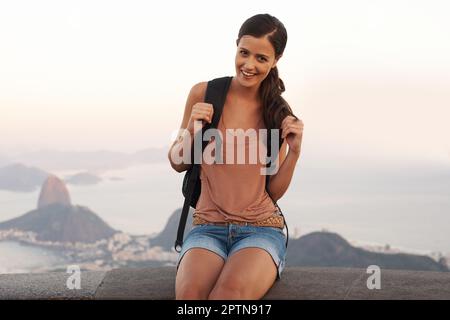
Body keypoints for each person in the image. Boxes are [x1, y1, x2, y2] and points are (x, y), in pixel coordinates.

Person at [168, 13, 304, 300]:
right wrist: (193, 129)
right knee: (189, 298)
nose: (249, 65)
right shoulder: (205, 93)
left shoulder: (277, 111)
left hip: (260, 230)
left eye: (261, 58)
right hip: (207, 227)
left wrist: (294, 152)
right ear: (236, 46)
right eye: (244, 53)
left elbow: (273, 192)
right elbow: (177, 161)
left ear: (276, 60)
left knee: (227, 297)